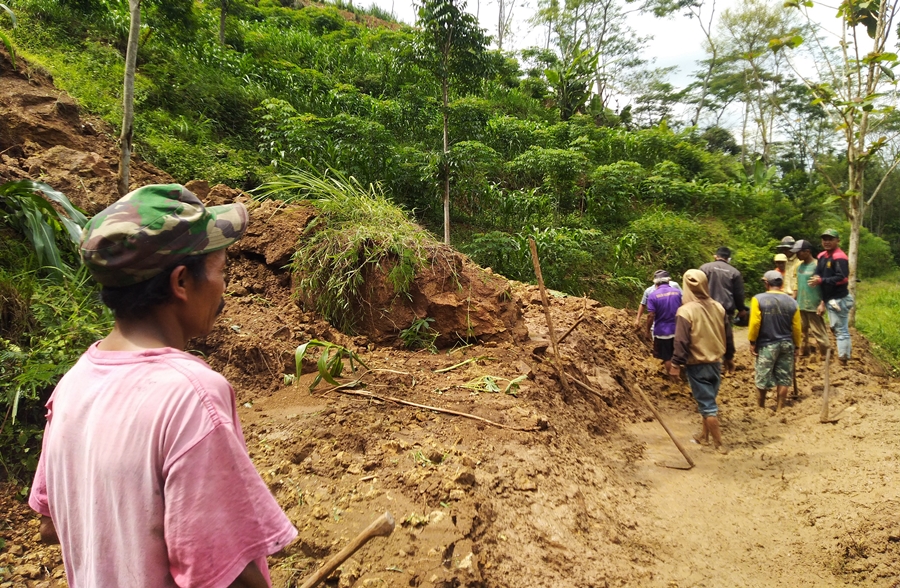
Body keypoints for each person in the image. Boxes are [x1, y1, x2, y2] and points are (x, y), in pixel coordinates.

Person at [28, 184, 297, 587]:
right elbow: (225, 571)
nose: (225, 288)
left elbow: (51, 526)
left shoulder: (73, 385)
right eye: (221, 271)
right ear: (182, 282)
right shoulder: (191, 395)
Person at [669, 269, 735, 454]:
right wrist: (729, 358)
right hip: (716, 363)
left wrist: (675, 364)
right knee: (708, 400)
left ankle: (719, 444)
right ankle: (704, 437)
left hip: (696, 364)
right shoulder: (719, 307)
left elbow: (681, 341)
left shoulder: (685, 311)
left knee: (708, 406)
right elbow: (728, 336)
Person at [748, 270, 802, 412]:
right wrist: (797, 345)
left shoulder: (758, 299)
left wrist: (752, 341)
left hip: (767, 344)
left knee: (762, 376)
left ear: (767, 283)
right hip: (786, 343)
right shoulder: (792, 302)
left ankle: (760, 407)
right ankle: (780, 407)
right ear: (781, 284)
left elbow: (755, 323)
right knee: (784, 376)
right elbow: (796, 327)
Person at [809, 228, 854, 365]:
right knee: (836, 328)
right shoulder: (822, 256)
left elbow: (843, 278)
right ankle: (845, 355)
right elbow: (818, 274)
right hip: (830, 298)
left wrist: (822, 281)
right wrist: (822, 301)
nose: (827, 242)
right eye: (824, 239)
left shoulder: (839, 257)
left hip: (839, 298)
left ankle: (843, 359)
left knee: (840, 329)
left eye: (830, 239)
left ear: (837, 241)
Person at [790, 240, 831, 358]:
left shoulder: (818, 265)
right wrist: (793, 299)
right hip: (800, 303)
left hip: (814, 303)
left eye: (799, 252)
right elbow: (797, 284)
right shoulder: (799, 266)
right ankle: (804, 351)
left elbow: (826, 286)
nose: (796, 255)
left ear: (807, 252)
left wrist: (822, 303)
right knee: (802, 332)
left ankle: (826, 354)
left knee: (818, 332)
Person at [643, 270, 683, 376]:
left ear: (656, 283)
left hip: (662, 332)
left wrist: (647, 331)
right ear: (668, 281)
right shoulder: (677, 292)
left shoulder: (653, 296)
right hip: (678, 330)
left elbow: (651, 315)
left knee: (667, 357)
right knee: (676, 353)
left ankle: (673, 381)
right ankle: (680, 374)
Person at [700, 246, 748, 324]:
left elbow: (697, 287)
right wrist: (741, 309)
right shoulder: (735, 272)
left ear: (715, 256)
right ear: (729, 259)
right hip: (726, 311)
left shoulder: (704, 268)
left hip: (706, 309)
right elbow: (738, 294)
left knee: (706, 334)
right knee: (725, 335)